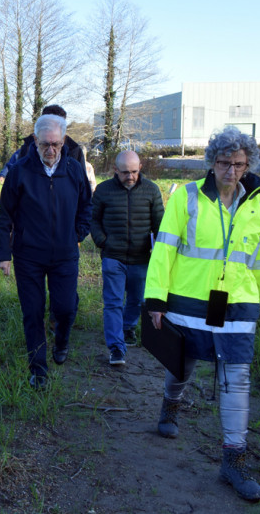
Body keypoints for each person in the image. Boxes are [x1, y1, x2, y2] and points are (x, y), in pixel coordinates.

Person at [145, 126, 260, 502]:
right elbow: (164, 252)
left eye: (239, 164)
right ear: (212, 162)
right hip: (188, 303)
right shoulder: (186, 197)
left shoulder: (258, 204)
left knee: (236, 379)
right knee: (182, 366)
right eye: (224, 162)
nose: (231, 171)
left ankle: (233, 460)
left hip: (238, 306)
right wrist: (156, 300)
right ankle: (170, 405)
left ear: (248, 164)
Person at [0, 114, 92, 390]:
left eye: (56, 145)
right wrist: (3, 254)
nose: (51, 150)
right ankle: (38, 368)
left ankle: (62, 339)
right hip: (28, 256)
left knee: (65, 307)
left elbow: (87, 206)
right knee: (33, 312)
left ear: (63, 142)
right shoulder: (20, 171)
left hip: (64, 255)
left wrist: (77, 235)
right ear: (35, 141)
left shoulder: (74, 170)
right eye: (45, 144)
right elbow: (4, 215)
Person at [91, 150, 163, 366]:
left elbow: (160, 224)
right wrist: (103, 241)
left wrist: (159, 251)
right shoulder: (103, 190)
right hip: (113, 256)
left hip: (141, 258)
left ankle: (128, 326)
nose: (130, 176)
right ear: (115, 170)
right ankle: (116, 348)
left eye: (134, 171)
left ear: (140, 167)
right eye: (124, 172)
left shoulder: (151, 190)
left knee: (137, 299)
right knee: (113, 302)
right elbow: (92, 219)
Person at [0, 104, 85, 184]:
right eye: (45, 144)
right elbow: (17, 176)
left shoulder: (75, 150)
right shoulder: (28, 146)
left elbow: (82, 185)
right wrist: (3, 174)